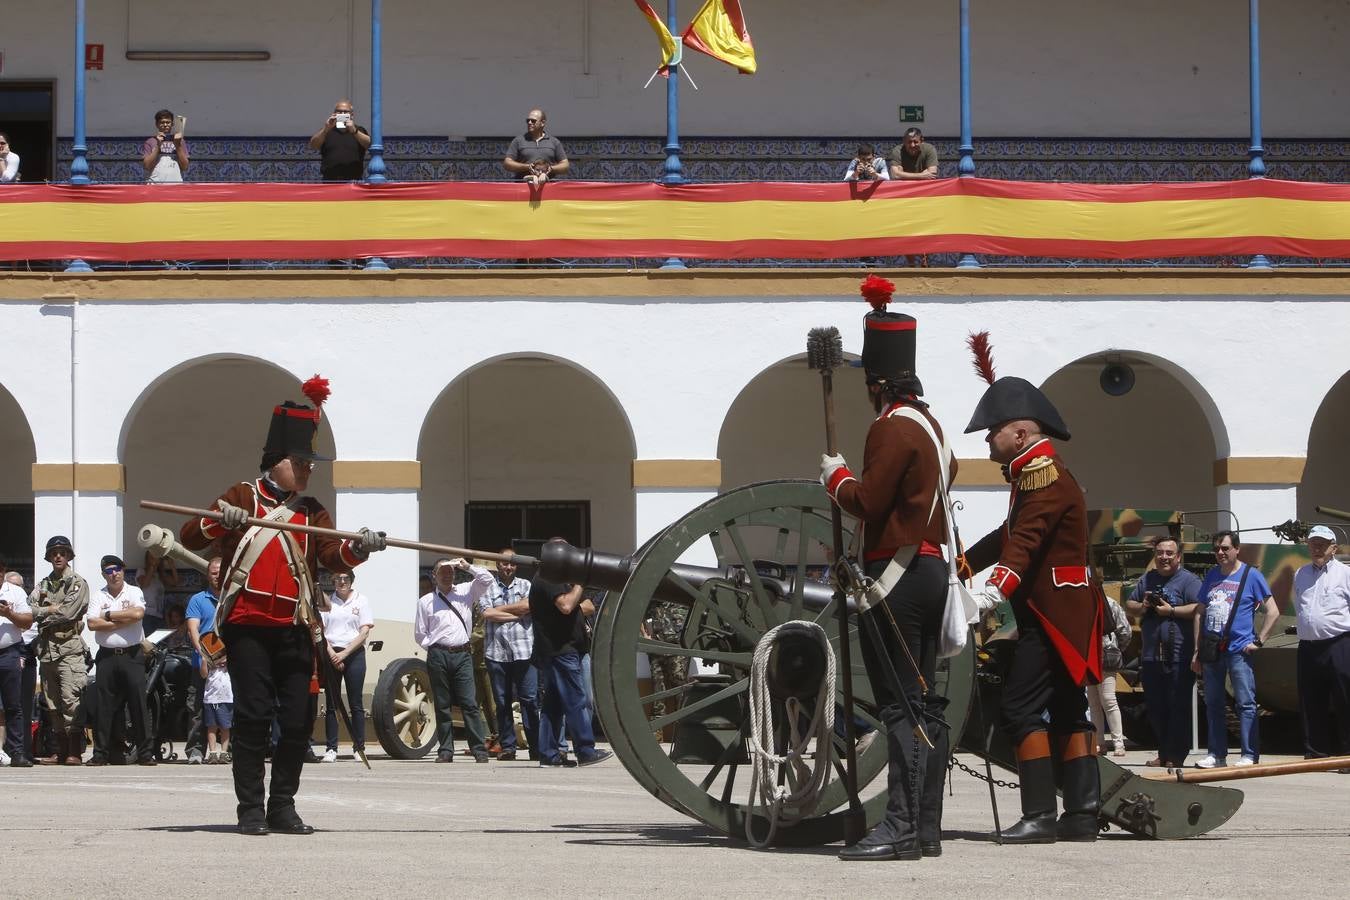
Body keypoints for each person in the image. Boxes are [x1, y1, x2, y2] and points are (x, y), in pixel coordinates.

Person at [180, 378, 386, 835]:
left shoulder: (311, 512)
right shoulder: (241, 497)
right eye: (302, 462)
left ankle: (283, 806)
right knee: (253, 716)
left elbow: (332, 557)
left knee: (296, 720)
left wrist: (361, 548)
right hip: (248, 626)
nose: (309, 470)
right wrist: (221, 521)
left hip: (295, 626)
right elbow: (189, 535)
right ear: (278, 463)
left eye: (310, 463)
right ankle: (251, 810)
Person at [819, 281, 955, 862]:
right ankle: (923, 829)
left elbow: (869, 502)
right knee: (922, 705)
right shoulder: (934, 430)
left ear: (878, 386)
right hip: (927, 574)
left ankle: (898, 827)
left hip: (894, 580)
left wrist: (836, 478)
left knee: (900, 707)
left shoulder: (891, 427)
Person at [963, 347, 1106, 844]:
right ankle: (1083, 814)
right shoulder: (1034, 473)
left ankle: (1042, 814)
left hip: (1053, 612)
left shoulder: (1042, 475)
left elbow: (1024, 544)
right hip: (1061, 608)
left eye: (992, 430)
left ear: (1020, 433)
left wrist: (990, 591)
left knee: (1021, 707)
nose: (986, 437)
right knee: (1068, 709)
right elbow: (1009, 535)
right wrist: (961, 563)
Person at [1191, 530, 1279, 768]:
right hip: (1212, 650)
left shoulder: (1251, 575)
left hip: (1239, 650)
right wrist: (1197, 649)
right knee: (1213, 703)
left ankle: (1249, 754)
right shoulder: (1211, 576)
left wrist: (1259, 640)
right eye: (1217, 549)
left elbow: (1273, 610)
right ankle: (1216, 754)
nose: (1221, 553)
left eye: (1226, 548)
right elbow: (1200, 611)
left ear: (1237, 549)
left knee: (1246, 703)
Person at [529, 539, 612, 768]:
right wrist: (579, 583)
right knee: (576, 700)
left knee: (553, 706)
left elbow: (583, 607)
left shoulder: (553, 578)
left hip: (561, 649)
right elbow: (566, 606)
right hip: (560, 650)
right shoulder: (548, 577)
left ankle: (548, 754)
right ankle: (585, 750)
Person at [1123, 537, 1201, 767]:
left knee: (1178, 706)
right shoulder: (1148, 578)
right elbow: (1131, 605)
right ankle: (1163, 752)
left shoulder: (1189, 581)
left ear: (1178, 557)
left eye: (1169, 553)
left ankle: (1176, 756)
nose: (1164, 557)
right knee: (1156, 707)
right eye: (1160, 553)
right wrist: (1145, 606)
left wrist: (1172, 611)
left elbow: (1199, 607)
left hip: (1178, 654)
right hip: (1151, 655)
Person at [414, 558, 495, 763]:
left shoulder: (466, 591)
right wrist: (434, 648)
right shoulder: (425, 602)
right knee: (442, 704)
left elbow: (487, 579)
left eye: (450, 571)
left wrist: (467, 567)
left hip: (462, 654)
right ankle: (446, 750)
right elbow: (420, 633)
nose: (447, 575)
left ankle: (478, 749)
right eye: (442, 572)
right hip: (438, 654)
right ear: (434, 576)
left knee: (469, 703)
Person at [84, 555, 156, 766]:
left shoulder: (134, 591)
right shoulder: (99, 595)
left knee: (138, 705)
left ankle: (145, 754)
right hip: (106, 656)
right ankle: (100, 754)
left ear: (123, 571)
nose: (113, 574)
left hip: (132, 655)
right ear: (103, 574)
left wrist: (107, 615)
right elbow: (92, 624)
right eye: (108, 571)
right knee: (104, 706)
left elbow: (138, 613)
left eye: (116, 569)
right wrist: (121, 622)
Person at [1291, 525, 1350, 758]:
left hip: (1339, 645)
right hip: (1308, 647)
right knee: (1311, 702)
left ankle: (1348, 754)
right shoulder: (1301, 573)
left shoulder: (1345, 574)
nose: (1317, 548)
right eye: (1313, 543)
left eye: (1322, 544)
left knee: (1345, 700)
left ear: (1333, 548)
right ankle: (1316, 754)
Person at [31, 535, 90, 766]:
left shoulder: (77, 583)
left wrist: (44, 612)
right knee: (52, 703)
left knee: (71, 700)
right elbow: (29, 606)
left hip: (69, 650)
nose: (58, 556)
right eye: (54, 553)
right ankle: (60, 750)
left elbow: (68, 613)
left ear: (68, 556)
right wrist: (50, 610)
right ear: (49, 557)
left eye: (62, 552)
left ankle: (74, 750)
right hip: (47, 651)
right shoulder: (44, 583)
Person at [478, 549, 538, 761]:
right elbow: (487, 614)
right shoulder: (487, 587)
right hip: (496, 652)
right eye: (504, 563)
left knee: (529, 700)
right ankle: (508, 747)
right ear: (497, 564)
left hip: (524, 651)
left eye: (512, 563)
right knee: (501, 702)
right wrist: (516, 612)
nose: (508, 567)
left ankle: (536, 746)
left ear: (516, 566)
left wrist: (501, 610)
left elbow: (528, 606)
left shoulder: (526, 585)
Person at [319, 572, 374, 762]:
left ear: (351, 581)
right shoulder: (327, 602)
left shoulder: (362, 601)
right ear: (333, 582)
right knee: (332, 703)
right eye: (338, 579)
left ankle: (359, 747)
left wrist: (345, 653)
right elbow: (320, 631)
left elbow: (364, 631)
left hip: (354, 653)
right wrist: (332, 653)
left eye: (345, 579)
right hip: (332, 652)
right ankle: (331, 748)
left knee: (356, 703)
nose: (342, 582)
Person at [184, 557, 223, 765]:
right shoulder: (197, 600)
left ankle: (227, 750)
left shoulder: (232, 598)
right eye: (214, 573)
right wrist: (206, 656)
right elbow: (193, 630)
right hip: (202, 663)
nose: (217, 576)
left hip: (228, 665)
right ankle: (196, 751)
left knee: (229, 708)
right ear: (207, 575)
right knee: (197, 709)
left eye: (220, 572)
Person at [0, 561, 35, 766]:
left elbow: (27, 622)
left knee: (14, 705)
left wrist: (8, 614)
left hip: (9, 653)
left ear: (2, 572)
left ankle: (17, 752)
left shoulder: (15, 592)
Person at [1089, 595, 1132, 757]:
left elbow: (1125, 631)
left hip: (1105, 655)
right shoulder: (1085, 602)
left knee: (1108, 699)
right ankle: (1099, 742)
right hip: (1089, 657)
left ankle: (1118, 743)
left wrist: (1114, 648)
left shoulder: (1110, 603)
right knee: (1093, 702)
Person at [308, 99, 371, 182]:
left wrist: (354, 131)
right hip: (330, 182)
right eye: (339, 111)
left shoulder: (359, 130)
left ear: (351, 115)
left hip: (353, 182)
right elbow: (313, 146)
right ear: (334, 114)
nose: (342, 114)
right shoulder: (327, 131)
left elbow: (370, 145)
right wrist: (326, 129)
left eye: (346, 112)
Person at [504, 109, 570, 186]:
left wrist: (550, 168)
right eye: (528, 120)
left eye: (533, 121)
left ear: (542, 123)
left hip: (549, 188)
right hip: (523, 187)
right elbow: (507, 163)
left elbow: (565, 165)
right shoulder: (518, 141)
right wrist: (527, 167)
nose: (529, 123)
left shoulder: (554, 142)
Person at [137, 549, 179, 636]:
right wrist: (152, 566)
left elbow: (175, 582)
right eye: (151, 558)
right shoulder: (141, 571)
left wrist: (172, 565)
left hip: (159, 615)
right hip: (146, 614)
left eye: (156, 557)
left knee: (157, 644)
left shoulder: (160, 574)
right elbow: (145, 583)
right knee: (148, 643)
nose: (154, 559)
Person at [141, 108, 189, 183]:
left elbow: (185, 167)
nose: (165, 125)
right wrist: (158, 146)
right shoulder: (150, 141)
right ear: (157, 124)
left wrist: (178, 145)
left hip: (176, 184)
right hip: (154, 184)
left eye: (168, 122)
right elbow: (147, 166)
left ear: (172, 124)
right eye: (162, 122)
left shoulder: (180, 141)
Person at [204, 651, 234, 764]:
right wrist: (206, 661)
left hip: (226, 698)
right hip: (211, 698)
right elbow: (203, 674)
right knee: (211, 726)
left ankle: (224, 753)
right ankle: (212, 753)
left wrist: (225, 660)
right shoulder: (209, 662)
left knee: (225, 726)